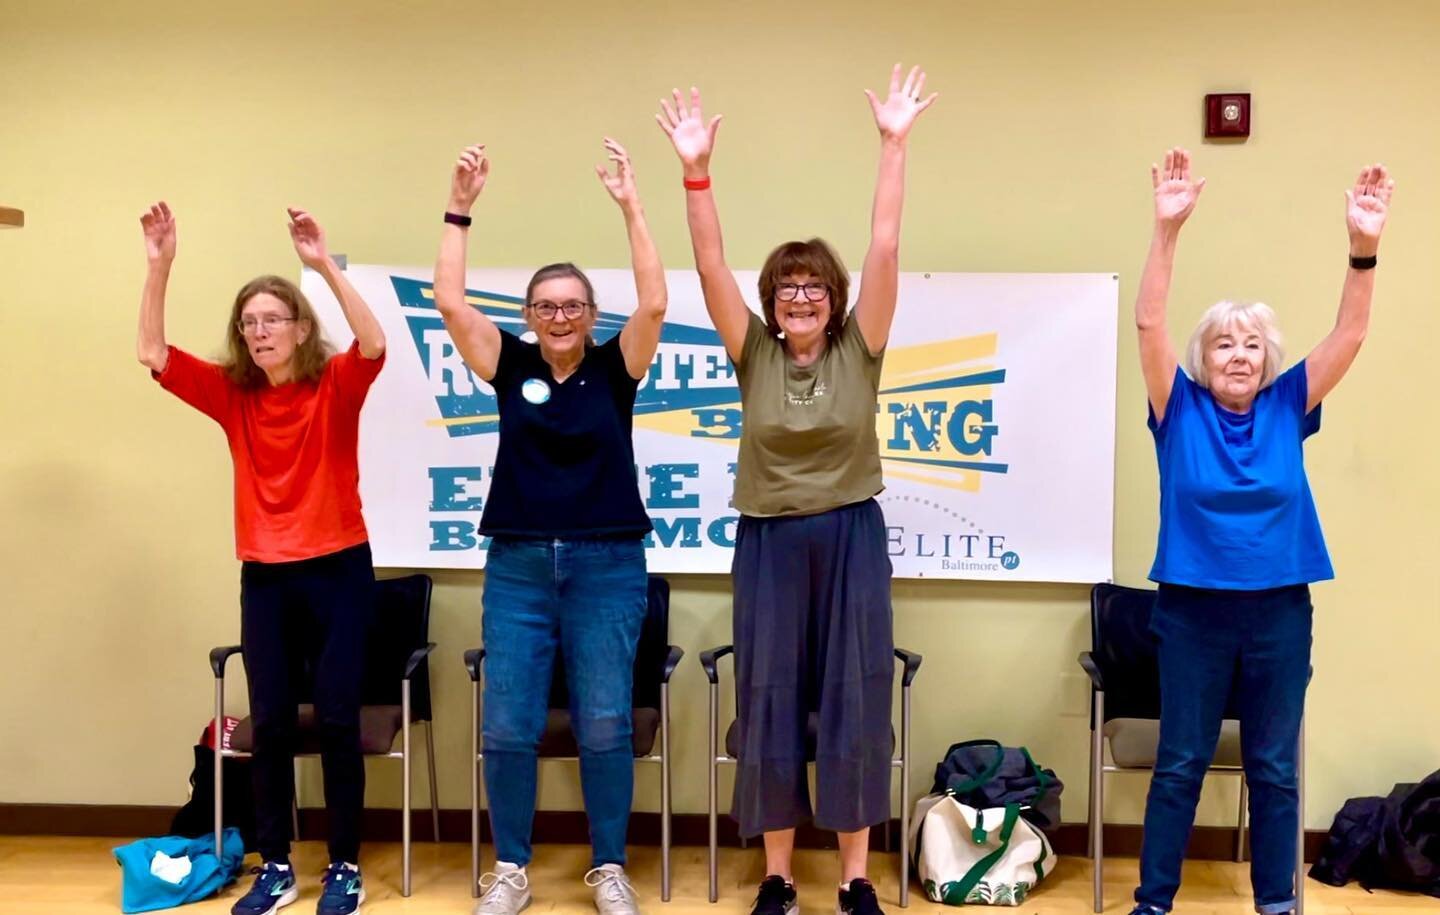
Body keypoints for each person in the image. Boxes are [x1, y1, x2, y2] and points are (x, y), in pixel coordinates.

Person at [656, 64, 936, 915]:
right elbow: (707, 265)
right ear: (772, 305)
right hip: (771, 539)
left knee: (854, 696)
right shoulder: (757, 355)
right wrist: (695, 172)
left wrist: (894, 146)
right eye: (787, 287)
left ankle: (854, 879)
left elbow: (885, 245)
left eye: (814, 285)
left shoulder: (862, 348)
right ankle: (778, 874)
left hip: (851, 536)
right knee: (770, 697)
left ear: (834, 298)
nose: (802, 295)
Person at [1128, 149, 1394, 915]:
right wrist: (1167, 230)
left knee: (1274, 767)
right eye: (1222, 343)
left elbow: (1350, 332)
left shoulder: (1286, 405)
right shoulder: (1176, 407)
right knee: (1180, 764)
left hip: (1279, 611)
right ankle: (1154, 903)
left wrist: (1363, 246)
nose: (1237, 355)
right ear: (1203, 359)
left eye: (1251, 344)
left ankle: (1276, 903)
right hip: (1191, 613)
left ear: (1267, 359)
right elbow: (1150, 318)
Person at [431, 139, 667, 915]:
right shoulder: (510, 366)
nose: (559, 316)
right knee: (508, 724)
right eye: (545, 306)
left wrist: (633, 205)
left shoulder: (615, 369)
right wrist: (459, 209)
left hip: (608, 565)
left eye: (572, 305)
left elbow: (657, 301)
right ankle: (511, 869)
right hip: (520, 566)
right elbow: (448, 303)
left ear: (592, 317)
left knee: (604, 725)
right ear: (528, 318)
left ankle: (607, 867)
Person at [137, 202, 387, 915]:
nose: (258, 331)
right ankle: (275, 865)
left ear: (300, 328)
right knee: (272, 721)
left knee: (338, 718)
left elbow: (372, 343)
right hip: (267, 575)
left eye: (272, 318)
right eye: (249, 323)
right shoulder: (233, 395)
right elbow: (153, 352)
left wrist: (322, 268)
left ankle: (343, 867)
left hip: (338, 567)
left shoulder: (334, 386)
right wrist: (160, 265)